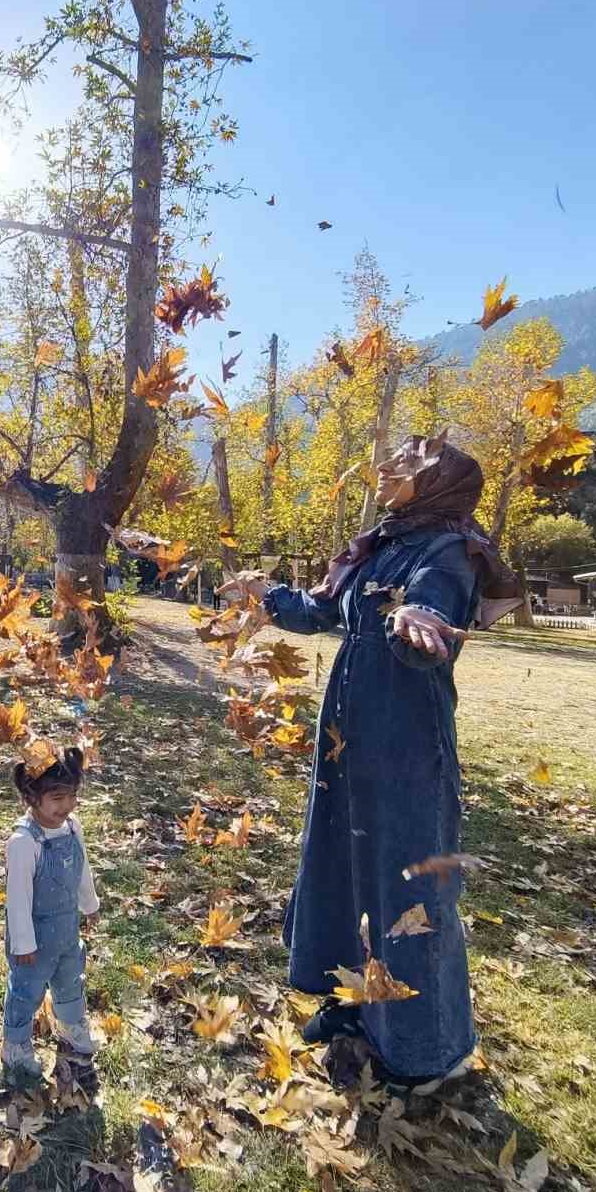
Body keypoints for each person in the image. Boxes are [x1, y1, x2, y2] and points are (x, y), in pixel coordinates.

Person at [238, 435, 520, 1086]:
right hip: (347, 736)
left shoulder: (450, 551)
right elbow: (321, 610)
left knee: (406, 882)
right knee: (342, 864)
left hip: (405, 741)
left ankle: (422, 1048)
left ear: (438, 482)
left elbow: (432, 607)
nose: (386, 469)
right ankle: (352, 1002)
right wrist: (267, 593)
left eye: (405, 464)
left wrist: (419, 617)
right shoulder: (380, 545)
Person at [2, 746, 100, 1081]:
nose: (67, 805)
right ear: (32, 797)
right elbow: (17, 898)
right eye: (57, 798)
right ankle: (16, 1044)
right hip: (33, 939)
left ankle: (71, 1026)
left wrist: (90, 904)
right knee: (26, 991)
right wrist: (23, 944)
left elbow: (81, 869)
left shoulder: (72, 828)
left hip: (67, 930)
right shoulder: (23, 842)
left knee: (70, 979)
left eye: (72, 795)